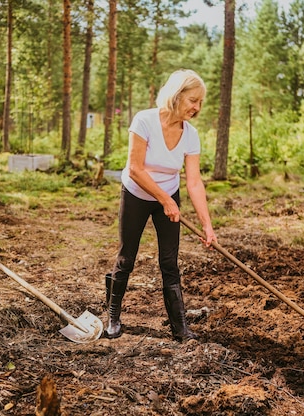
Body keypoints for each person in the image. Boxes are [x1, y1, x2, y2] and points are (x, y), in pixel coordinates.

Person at [105, 69, 217, 342]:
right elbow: (135, 169)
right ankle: (112, 317)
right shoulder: (144, 121)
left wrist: (206, 224)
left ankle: (180, 328)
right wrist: (164, 200)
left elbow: (193, 182)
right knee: (126, 257)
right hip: (137, 195)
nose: (197, 107)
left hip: (169, 196)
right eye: (193, 100)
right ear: (176, 96)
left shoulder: (190, 135)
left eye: (200, 102)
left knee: (169, 262)